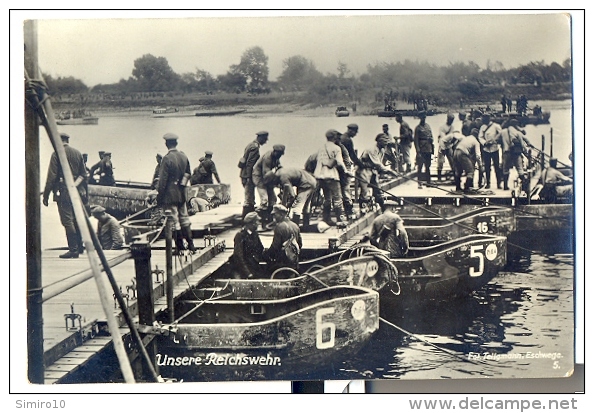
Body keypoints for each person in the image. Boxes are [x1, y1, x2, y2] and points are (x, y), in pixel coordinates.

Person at [42, 133, 88, 258]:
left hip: (63, 192)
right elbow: (84, 175)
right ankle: (79, 248)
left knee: (67, 220)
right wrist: (74, 185)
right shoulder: (77, 153)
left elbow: (51, 177)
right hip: (77, 191)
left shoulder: (56, 153)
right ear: (67, 140)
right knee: (76, 219)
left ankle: (73, 250)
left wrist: (45, 195)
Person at [156, 133, 196, 253]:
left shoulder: (166, 159)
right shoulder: (183, 156)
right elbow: (188, 173)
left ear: (166, 144)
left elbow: (162, 181)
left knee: (174, 222)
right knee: (184, 219)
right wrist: (182, 184)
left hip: (170, 195)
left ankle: (179, 247)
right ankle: (191, 245)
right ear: (176, 143)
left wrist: (160, 197)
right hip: (181, 194)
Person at [356, 133, 399, 212]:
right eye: (384, 142)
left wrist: (387, 171)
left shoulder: (382, 150)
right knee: (364, 191)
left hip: (373, 170)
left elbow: (380, 163)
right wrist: (390, 171)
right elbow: (377, 163)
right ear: (379, 141)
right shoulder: (372, 149)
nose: (386, 144)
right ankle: (363, 208)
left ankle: (382, 208)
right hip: (364, 170)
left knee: (378, 190)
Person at [315, 129, 350, 226]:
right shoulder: (336, 148)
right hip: (332, 176)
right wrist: (346, 171)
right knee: (337, 198)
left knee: (327, 198)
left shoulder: (321, 148)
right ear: (334, 137)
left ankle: (326, 218)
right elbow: (339, 162)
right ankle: (340, 220)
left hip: (321, 176)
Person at [252, 144, 285, 228]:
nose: (280, 156)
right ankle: (260, 221)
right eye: (279, 154)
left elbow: (279, 168)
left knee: (273, 199)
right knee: (264, 200)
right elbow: (266, 174)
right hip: (260, 178)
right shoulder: (267, 158)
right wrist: (276, 177)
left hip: (267, 180)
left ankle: (270, 221)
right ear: (275, 152)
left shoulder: (276, 158)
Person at [263, 204, 303, 273]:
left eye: (275, 214)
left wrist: (266, 254)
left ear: (281, 214)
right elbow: (300, 244)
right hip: (294, 262)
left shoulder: (279, 227)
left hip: (282, 263)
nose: (274, 217)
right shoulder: (295, 225)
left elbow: (275, 247)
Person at [239, 131, 269, 218]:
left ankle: (248, 219)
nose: (266, 141)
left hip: (244, 174)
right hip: (247, 175)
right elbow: (250, 163)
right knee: (249, 199)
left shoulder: (250, 145)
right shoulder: (255, 147)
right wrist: (249, 177)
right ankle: (246, 220)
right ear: (261, 138)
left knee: (249, 198)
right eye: (265, 139)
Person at [229, 212, 266, 279]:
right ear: (251, 223)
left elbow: (260, 249)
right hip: (243, 269)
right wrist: (248, 273)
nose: (258, 224)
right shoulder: (240, 235)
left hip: (253, 265)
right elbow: (238, 256)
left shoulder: (254, 234)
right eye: (257, 222)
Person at [500, 118, 531, 190]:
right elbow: (523, 144)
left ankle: (505, 186)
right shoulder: (517, 132)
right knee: (520, 168)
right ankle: (524, 186)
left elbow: (496, 139)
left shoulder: (503, 132)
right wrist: (526, 154)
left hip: (506, 153)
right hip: (516, 153)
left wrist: (503, 144)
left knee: (505, 169)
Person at [478, 113, 503, 189]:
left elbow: (501, 134)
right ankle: (488, 183)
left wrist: (495, 141)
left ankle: (499, 183)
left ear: (488, 119)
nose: (483, 120)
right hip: (486, 149)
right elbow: (480, 137)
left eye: (484, 119)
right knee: (487, 167)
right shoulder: (482, 127)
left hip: (495, 148)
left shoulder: (496, 126)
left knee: (497, 167)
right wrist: (485, 143)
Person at [413, 110, 434, 188]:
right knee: (420, 166)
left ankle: (428, 182)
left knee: (428, 166)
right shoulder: (418, 128)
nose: (423, 118)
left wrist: (431, 140)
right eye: (422, 117)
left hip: (428, 149)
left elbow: (432, 137)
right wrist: (418, 151)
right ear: (420, 118)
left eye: (424, 117)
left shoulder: (428, 126)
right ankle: (419, 182)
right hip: (421, 149)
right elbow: (416, 140)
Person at [436, 113, 456, 181]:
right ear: (447, 119)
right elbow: (443, 138)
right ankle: (439, 177)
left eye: (452, 120)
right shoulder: (442, 127)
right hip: (442, 145)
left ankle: (455, 176)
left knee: (452, 161)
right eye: (450, 119)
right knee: (440, 162)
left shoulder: (452, 127)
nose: (451, 121)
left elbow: (452, 137)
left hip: (449, 146)